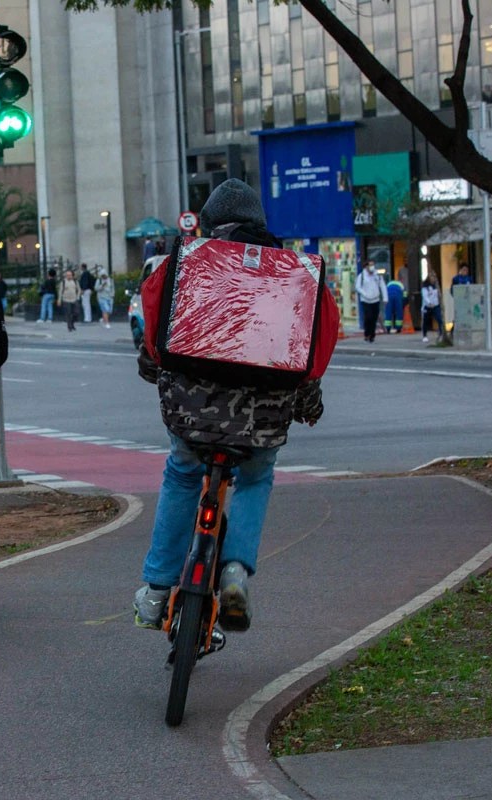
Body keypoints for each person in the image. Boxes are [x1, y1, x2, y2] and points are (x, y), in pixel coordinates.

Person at [132, 179, 327, 633]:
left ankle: (157, 590)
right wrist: (308, 405)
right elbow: (307, 355)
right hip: (262, 422)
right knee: (256, 477)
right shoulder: (292, 273)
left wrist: (153, 370)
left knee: (182, 474)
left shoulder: (188, 262)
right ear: (260, 223)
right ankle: (236, 569)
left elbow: (155, 340)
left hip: (191, 415)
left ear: (210, 222)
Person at [355, 259, 387, 343]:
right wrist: (364, 294)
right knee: (368, 317)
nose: (372, 267)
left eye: (373, 265)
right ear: (366, 266)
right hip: (365, 300)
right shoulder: (361, 276)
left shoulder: (377, 276)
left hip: (375, 299)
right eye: (370, 265)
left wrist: (385, 298)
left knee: (374, 318)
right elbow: (358, 287)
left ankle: (372, 335)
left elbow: (382, 286)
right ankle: (367, 333)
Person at [421, 274, 443, 343]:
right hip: (427, 306)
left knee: (439, 319)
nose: (433, 279)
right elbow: (425, 296)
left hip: (436, 305)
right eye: (432, 277)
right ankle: (425, 335)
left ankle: (441, 333)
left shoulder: (436, 287)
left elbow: (438, 295)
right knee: (426, 321)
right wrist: (429, 303)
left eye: (434, 277)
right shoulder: (425, 287)